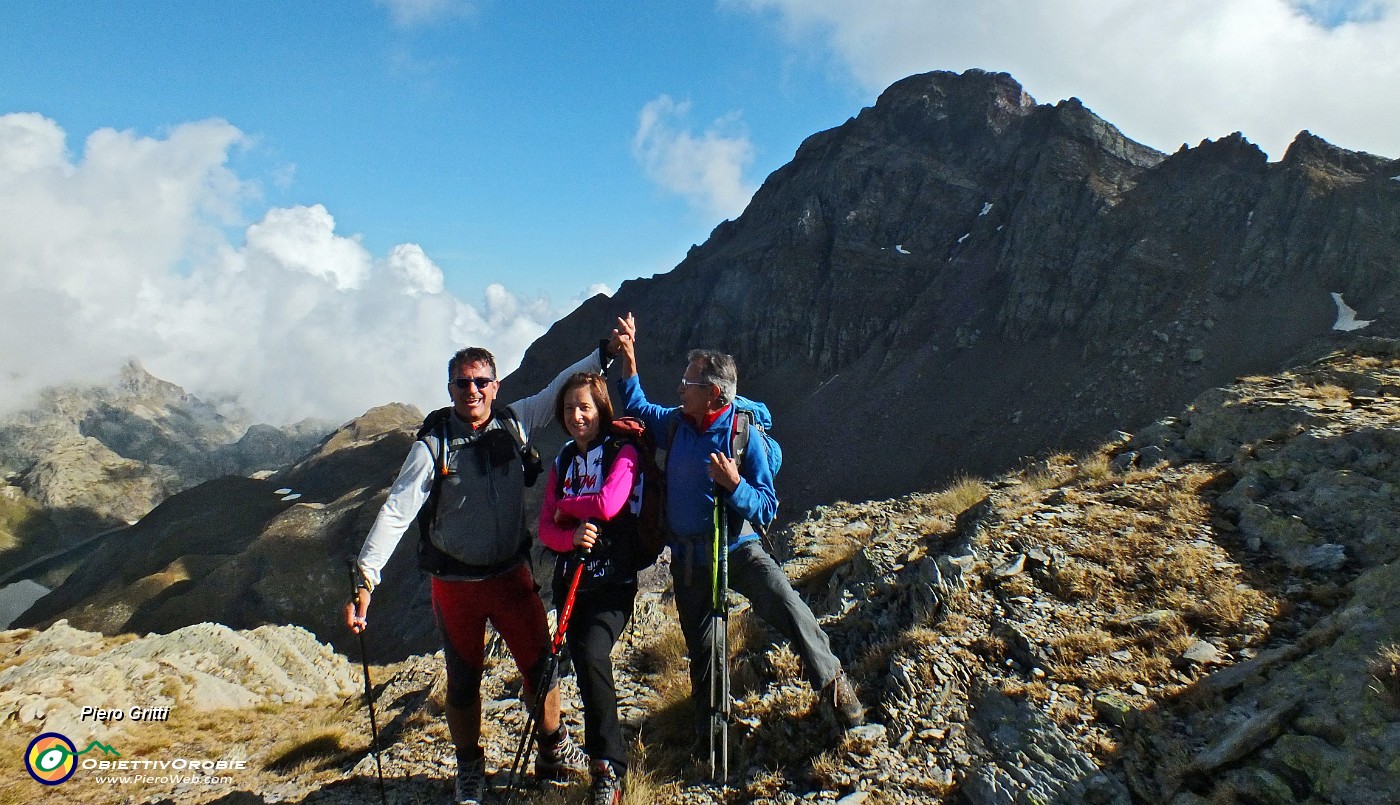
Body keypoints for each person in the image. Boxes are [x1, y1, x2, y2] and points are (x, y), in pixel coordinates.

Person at [345, 342, 617, 805]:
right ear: (450, 388)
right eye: (461, 383)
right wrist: (366, 580)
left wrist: (603, 355)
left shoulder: (515, 420)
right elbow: (396, 511)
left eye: (480, 382)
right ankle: (469, 767)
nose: (471, 390)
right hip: (456, 587)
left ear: (496, 385)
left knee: (541, 667)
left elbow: (558, 389)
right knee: (464, 679)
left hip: (510, 576)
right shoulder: (434, 445)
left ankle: (551, 747)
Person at [610, 314, 865, 750]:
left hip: (738, 549)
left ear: (712, 393)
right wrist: (629, 357)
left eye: (687, 383)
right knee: (705, 656)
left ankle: (840, 695)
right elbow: (636, 406)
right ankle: (712, 745)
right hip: (690, 562)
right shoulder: (675, 422)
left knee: (790, 609)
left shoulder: (745, 436)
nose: (679, 389)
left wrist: (734, 485)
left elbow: (766, 507)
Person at [537, 371, 642, 805]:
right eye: (568, 408)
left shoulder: (624, 450)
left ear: (602, 409)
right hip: (572, 583)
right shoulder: (563, 460)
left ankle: (608, 770)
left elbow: (608, 504)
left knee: (591, 653)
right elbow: (545, 531)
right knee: (568, 660)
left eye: (585, 407)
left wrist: (565, 507)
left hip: (612, 581)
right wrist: (569, 535)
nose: (576, 416)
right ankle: (558, 754)